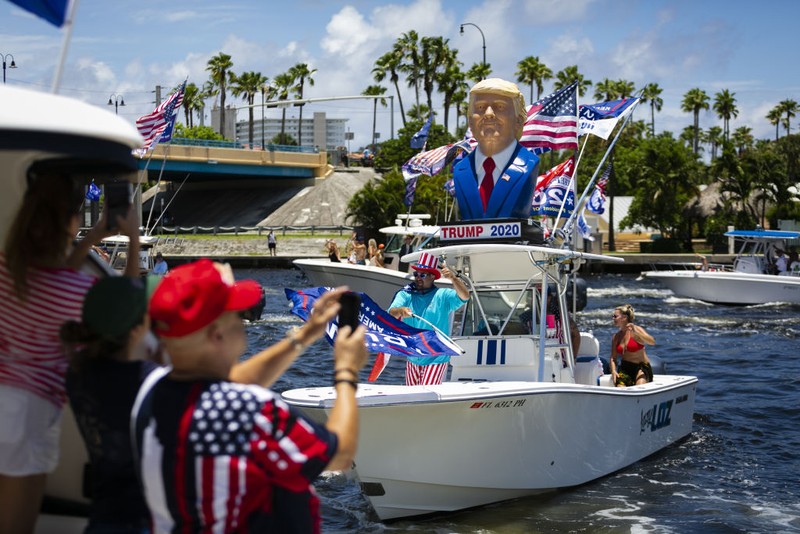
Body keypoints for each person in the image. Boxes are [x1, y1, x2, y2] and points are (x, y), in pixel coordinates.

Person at [135, 260, 368, 533]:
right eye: (236, 314)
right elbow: (339, 453)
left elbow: (229, 385)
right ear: (216, 334)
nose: (244, 319)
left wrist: (304, 337)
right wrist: (346, 371)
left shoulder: (148, 391)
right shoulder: (249, 411)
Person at [0, 167, 138, 534]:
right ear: (70, 219)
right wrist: (134, 240)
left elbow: (55, 276)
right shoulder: (75, 290)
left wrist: (89, 240)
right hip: (31, 410)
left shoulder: (6, 268)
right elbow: (127, 308)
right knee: (19, 521)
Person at [61, 276, 163, 534]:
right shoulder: (151, 379)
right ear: (137, 329)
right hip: (143, 519)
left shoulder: (78, 373)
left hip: (103, 517)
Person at [453, 78, 540, 220]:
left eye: (500, 107)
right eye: (480, 107)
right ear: (470, 121)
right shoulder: (460, 170)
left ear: (518, 120)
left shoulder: (528, 163)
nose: (488, 114)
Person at [388, 252, 469, 385]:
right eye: (416, 274)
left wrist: (454, 279)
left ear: (432, 276)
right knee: (412, 396)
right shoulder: (406, 294)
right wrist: (401, 311)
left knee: (425, 394)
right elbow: (391, 313)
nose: (418, 278)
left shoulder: (442, 295)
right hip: (413, 355)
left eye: (422, 275)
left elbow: (465, 297)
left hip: (436, 356)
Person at [609, 304, 656, 387]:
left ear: (624, 318)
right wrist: (613, 371)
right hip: (625, 368)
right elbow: (613, 358)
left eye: (615, 316)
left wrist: (636, 332)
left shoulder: (636, 330)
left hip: (641, 368)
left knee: (639, 388)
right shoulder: (616, 337)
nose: (613, 318)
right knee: (620, 390)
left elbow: (652, 342)